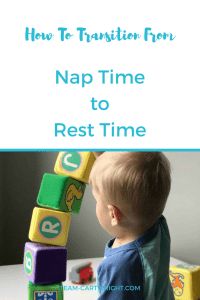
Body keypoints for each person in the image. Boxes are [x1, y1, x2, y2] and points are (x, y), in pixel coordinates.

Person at [89, 152, 174, 300]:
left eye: (97, 200)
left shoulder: (121, 266)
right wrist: (102, 157)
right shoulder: (157, 225)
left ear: (113, 214)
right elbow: (139, 186)